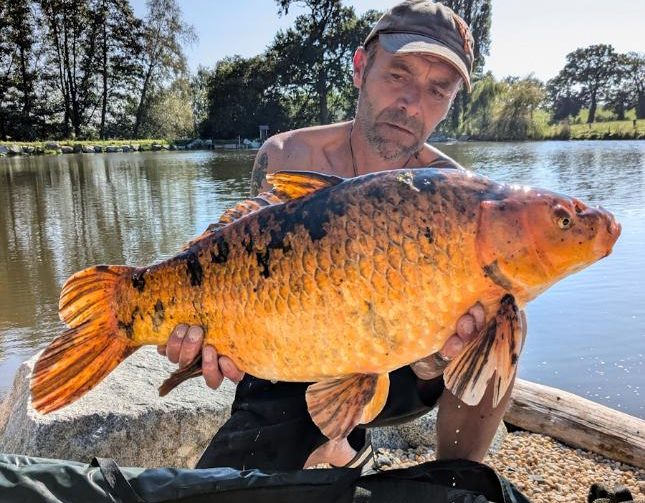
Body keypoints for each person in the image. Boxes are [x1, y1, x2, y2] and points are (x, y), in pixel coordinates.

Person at [159, 0, 524, 471]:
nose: (413, 104)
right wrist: (212, 344)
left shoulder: (455, 193)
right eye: (398, 75)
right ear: (360, 68)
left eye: (438, 90)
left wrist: (437, 358)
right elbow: (243, 272)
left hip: (400, 363)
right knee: (242, 460)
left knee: (505, 313)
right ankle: (336, 447)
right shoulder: (287, 156)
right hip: (296, 343)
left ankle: (456, 478)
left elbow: (433, 355)